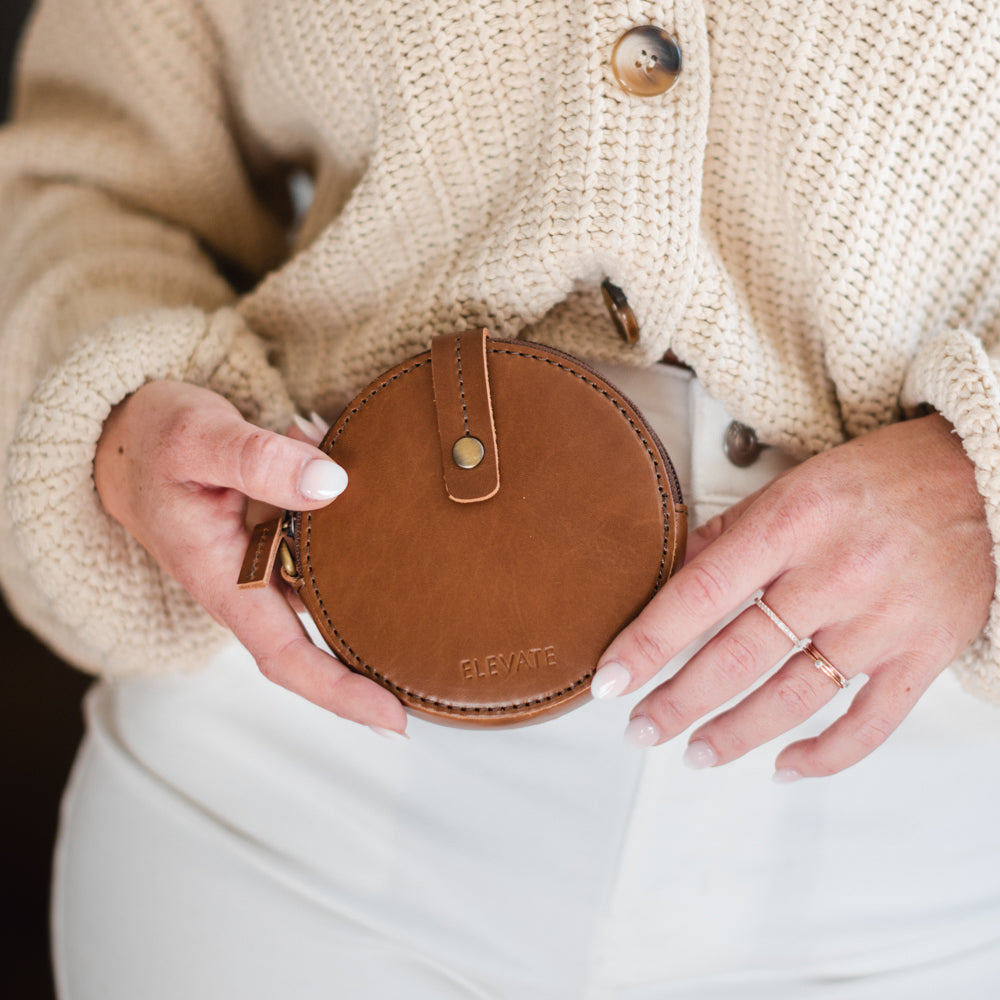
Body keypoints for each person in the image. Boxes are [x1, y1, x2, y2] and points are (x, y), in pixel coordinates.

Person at [2, 0, 1000, 996]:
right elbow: (84, 183)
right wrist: (123, 415)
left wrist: (977, 480)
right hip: (302, 729)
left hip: (892, 782)